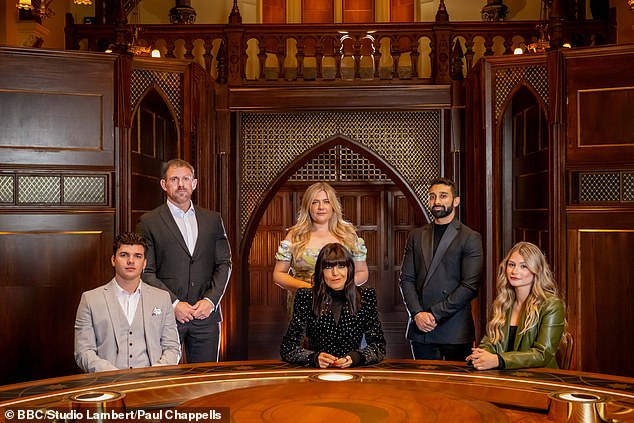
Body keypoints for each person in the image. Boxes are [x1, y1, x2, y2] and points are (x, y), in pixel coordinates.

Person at [137, 159, 232, 363]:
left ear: (194, 183)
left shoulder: (212, 219)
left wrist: (210, 301)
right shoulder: (149, 222)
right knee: (165, 381)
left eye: (186, 179)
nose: (181, 184)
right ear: (164, 185)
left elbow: (224, 264)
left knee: (204, 381)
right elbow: (146, 272)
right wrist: (175, 304)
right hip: (166, 316)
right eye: (174, 179)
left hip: (206, 316)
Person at [399, 177, 483, 361]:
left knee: (456, 388)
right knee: (423, 386)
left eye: (443, 196)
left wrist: (434, 314)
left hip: (455, 329)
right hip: (421, 329)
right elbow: (406, 279)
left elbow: (470, 286)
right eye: (432, 196)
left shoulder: (470, 237)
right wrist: (417, 314)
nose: (436, 201)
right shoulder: (416, 235)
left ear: (456, 201)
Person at [74, 232, 181, 373]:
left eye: (138, 256)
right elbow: (83, 351)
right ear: (113, 260)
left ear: (144, 263)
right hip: (108, 385)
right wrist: (112, 375)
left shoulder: (162, 298)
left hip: (153, 385)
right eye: (124, 255)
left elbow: (172, 348)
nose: (131, 261)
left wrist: (154, 374)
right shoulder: (90, 299)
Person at [280, 243, 386, 368]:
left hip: (352, 373)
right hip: (317, 373)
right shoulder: (306, 297)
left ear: (349, 269)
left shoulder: (365, 297)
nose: (335, 273)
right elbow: (288, 348)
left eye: (341, 266)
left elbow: (378, 346)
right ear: (321, 271)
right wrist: (313, 358)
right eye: (329, 267)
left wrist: (356, 357)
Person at [467, 242, 566, 370]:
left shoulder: (551, 305)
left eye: (523, 266)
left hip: (540, 379)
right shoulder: (503, 303)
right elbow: (489, 343)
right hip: (506, 377)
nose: (515, 271)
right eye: (511, 265)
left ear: (536, 270)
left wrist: (498, 360)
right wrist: (481, 356)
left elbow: (542, 354)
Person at [273, 182, 368, 314]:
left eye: (326, 201)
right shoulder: (295, 236)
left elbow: (362, 272)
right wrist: (310, 289)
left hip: (342, 302)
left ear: (333, 206)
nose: (321, 207)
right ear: (307, 206)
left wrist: (337, 288)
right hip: (304, 304)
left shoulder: (349, 235)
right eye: (315, 202)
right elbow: (278, 275)